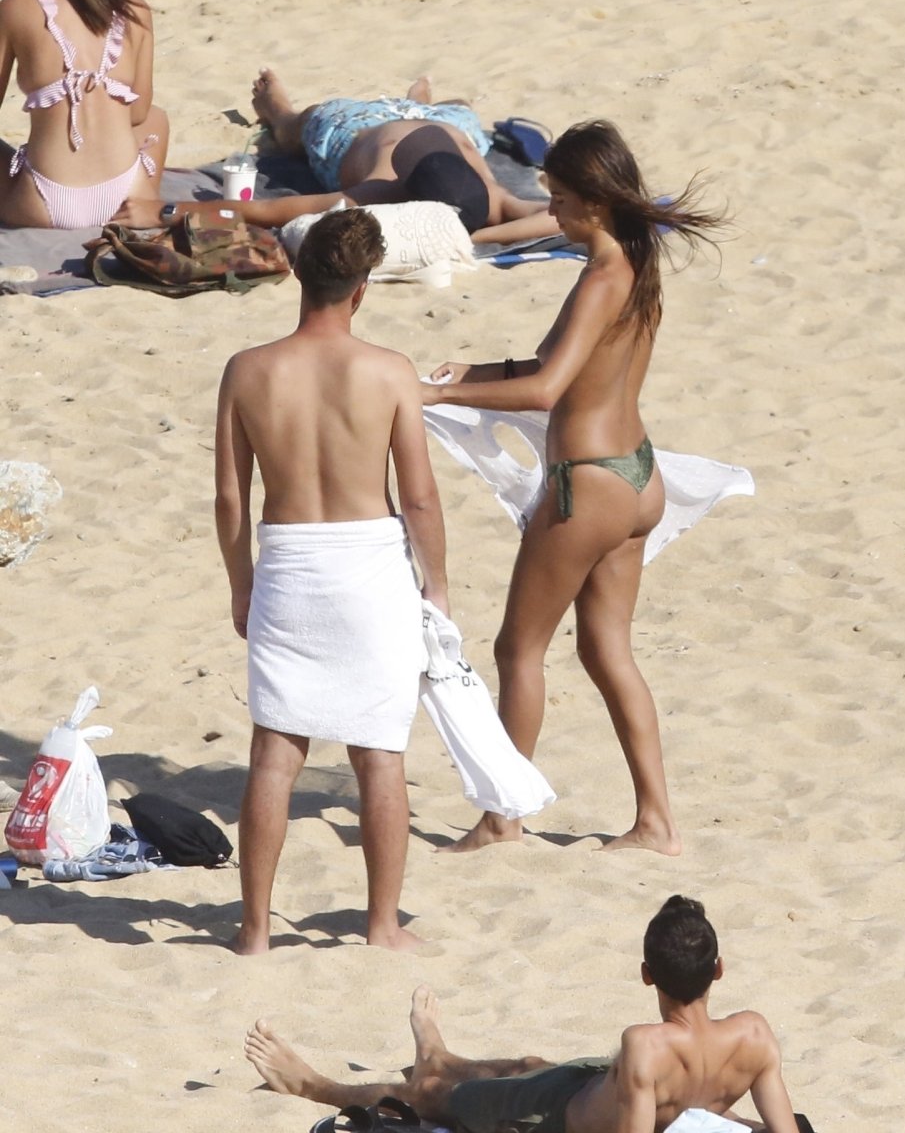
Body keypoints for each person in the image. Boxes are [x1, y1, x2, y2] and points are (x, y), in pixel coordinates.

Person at [420, 120, 727, 854]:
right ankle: (656, 822)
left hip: (586, 486)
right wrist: (470, 373)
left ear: (594, 200)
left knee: (518, 650)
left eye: (558, 198)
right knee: (606, 649)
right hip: (638, 478)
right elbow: (562, 368)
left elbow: (546, 390)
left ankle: (502, 818)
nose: (551, 211)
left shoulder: (599, 278)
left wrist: (437, 396)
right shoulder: (637, 263)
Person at [215, 207, 448, 954]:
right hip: (370, 566)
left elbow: (230, 499)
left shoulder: (248, 370)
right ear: (362, 287)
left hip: (288, 562)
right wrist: (437, 586)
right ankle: (382, 925)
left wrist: (241, 583)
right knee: (379, 754)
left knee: (274, 755)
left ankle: (254, 931)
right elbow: (418, 497)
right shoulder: (389, 370)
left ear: (296, 273)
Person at [243, 896, 803, 1133]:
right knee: (530, 1065)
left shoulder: (647, 1046)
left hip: (553, 1117)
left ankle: (313, 1085)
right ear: (719, 969)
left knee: (431, 1095)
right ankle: (439, 1054)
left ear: (646, 975)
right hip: (584, 1085)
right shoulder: (754, 1035)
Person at [114, 70, 557, 244]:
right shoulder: (491, 199)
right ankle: (416, 101)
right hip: (434, 124)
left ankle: (280, 112)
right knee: (458, 107)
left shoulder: (380, 194)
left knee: (297, 129)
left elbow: (260, 211)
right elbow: (559, 217)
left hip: (367, 128)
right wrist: (480, 238)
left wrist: (165, 210)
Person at [0, 0, 168, 229]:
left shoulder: (16, 9)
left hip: (42, 204)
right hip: (125, 197)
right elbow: (138, 113)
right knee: (157, 118)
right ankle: (140, 205)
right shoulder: (134, 10)